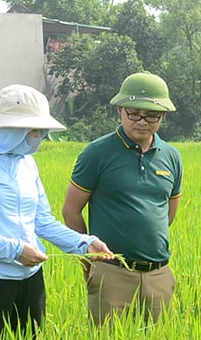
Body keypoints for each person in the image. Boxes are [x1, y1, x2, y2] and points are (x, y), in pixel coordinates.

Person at [0, 84, 112, 340]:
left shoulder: (26, 162)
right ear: (12, 128)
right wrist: (15, 250)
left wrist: (84, 243)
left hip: (31, 278)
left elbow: (42, 221)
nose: (41, 137)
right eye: (36, 131)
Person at [61, 72, 183, 324]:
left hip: (158, 273)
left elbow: (167, 212)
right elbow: (71, 210)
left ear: (164, 116)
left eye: (152, 115)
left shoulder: (171, 157)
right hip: (112, 272)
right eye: (134, 113)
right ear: (120, 110)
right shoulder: (97, 153)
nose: (142, 121)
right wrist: (89, 258)